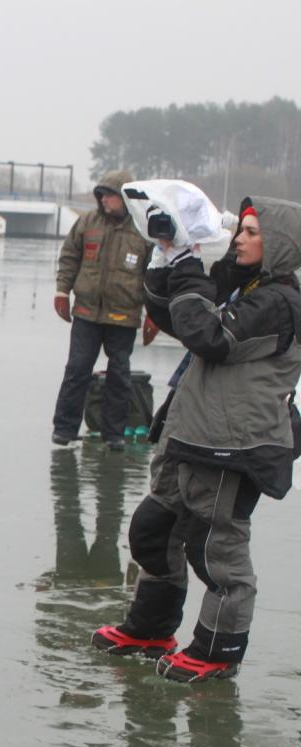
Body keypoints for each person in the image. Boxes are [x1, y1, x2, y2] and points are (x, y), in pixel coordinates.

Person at [92, 197, 301, 682]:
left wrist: (188, 265)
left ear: (281, 244)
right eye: (239, 230)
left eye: (252, 232)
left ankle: (218, 649)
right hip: (192, 432)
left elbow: (209, 335)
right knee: (154, 530)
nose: (240, 239)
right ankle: (151, 628)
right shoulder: (244, 283)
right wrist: (169, 253)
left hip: (235, 443)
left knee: (216, 551)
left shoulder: (281, 302)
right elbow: (176, 316)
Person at [51, 169, 154, 450]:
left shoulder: (143, 231)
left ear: (125, 198)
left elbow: (153, 274)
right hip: (86, 313)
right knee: (77, 368)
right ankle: (64, 428)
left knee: (119, 375)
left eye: (110, 195)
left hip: (124, 316)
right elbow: (69, 257)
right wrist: (62, 292)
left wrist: (154, 315)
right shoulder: (87, 223)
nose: (104, 200)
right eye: (101, 195)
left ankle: (114, 433)